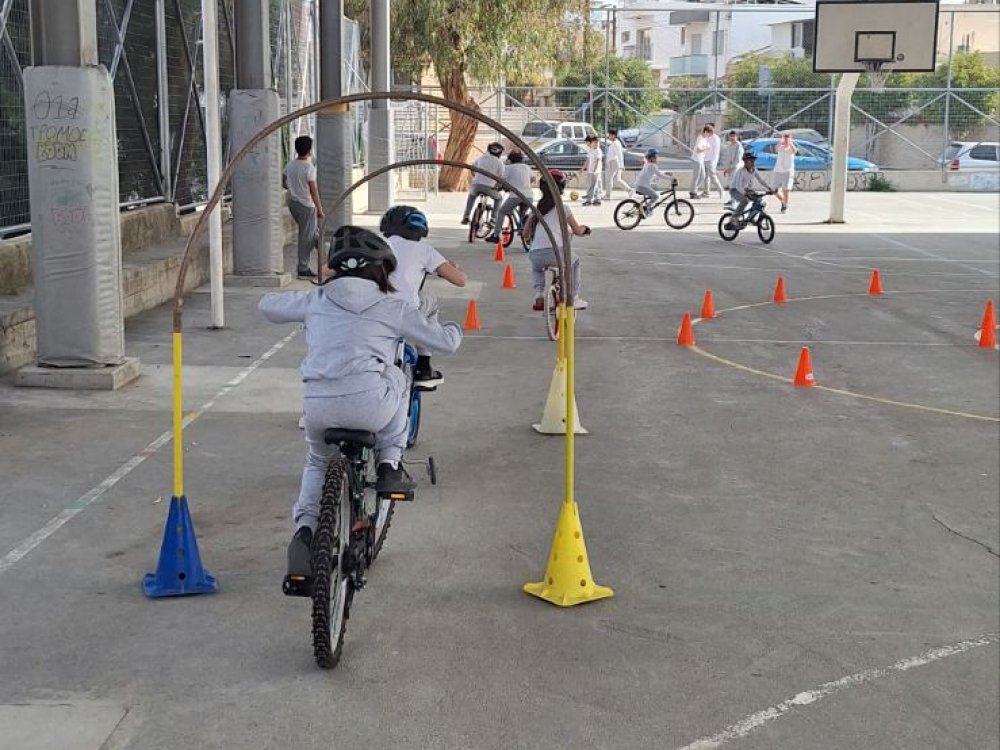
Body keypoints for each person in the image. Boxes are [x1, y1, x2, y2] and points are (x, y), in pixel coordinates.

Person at [259, 226, 463, 585]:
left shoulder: (316, 300)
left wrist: (316, 289)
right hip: (371, 406)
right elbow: (445, 343)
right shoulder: (392, 306)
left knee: (317, 462)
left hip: (318, 409)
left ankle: (304, 534)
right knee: (400, 375)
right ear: (381, 269)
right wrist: (449, 325)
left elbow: (266, 306)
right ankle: (389, 464)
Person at [380, 205, 467, 387]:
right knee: (430, 300)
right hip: (406, 312)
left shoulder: (374, 246)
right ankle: (424, 366)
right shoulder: (424, 250)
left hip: (375, 309)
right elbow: (460, 280)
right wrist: (450, 267)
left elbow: (325, 273)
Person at [527, 170, 590, 311]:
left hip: (536, 253)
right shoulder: (563, 208)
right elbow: (577, 230)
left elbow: (526, 234)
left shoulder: (537, 209)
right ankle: (574, 297)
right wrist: (585, 229)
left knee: (536, 267)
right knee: (574, 262)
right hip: (556, 253)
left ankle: (539, 293)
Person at [284, 135, 324, 278]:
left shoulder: (290, 165)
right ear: (310, 149)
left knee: (313, 234)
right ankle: (303, 267)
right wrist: (319, 209)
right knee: (307, 237)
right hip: (307, 205)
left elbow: (284, 182)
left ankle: (327, 258)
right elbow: (313, 190)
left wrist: (293, 188)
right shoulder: (309, 167)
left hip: (293, 204)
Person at [486, 149, 533, 244]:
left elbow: (501, 180)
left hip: (515, 196)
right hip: (529, 196)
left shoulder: (508, 168)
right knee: (522, 213)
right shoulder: (527, 167)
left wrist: (496, 188)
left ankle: (496, 235)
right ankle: (525, 232)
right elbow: (532, 179)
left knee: (501, 211)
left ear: (510, 159)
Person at [726, 152, 774, 229]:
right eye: (750, 160)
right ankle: (734, 218)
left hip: (745, 189)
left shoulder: (754, 170)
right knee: (745, 200)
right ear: (745, 162)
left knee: (759, 199)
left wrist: (769, 188)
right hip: (734, 190)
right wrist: (745, 194)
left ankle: (751, 217)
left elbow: (761, 180)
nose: (753, 162)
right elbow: (738, 186)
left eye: (753, 160)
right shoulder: (741, 171)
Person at [461, 142, 505, 225]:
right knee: (499, 198)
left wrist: (475, 177)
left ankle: (466, 216)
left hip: (476, 185)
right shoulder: (500, 163)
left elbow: (472, 168)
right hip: (489, 187)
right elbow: (501, 178)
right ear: (499, 153)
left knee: (472, 196)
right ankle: (493, 219)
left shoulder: (482, 158)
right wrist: (497, 186)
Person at [634, 149, 672, 216]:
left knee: (653, 192)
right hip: (642, 186)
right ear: (651, 158)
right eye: (656, 156)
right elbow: (659, 175)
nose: (657, 158)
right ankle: (646, 209)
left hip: (639, 185)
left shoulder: (647, 163)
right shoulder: (653, 165)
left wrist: (666, 173)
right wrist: (671, 178)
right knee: (656, 196)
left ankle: (646, 209)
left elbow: (658, 172)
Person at [604, 128, 631, 200]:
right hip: (614, 162)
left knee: (609, 179)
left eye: (609, 135)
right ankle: (629, 190)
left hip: (614, 163)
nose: (608, 136)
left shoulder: (616, 144)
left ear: (613, 135)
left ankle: (608, 195)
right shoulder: (615, 143)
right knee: (617, 180)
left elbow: (619, 155)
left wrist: (621, 165)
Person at [773, 132, 797, 213]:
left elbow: (795, 151)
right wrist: (780, 141)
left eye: (788, 138)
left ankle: (785, 206)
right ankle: (783, 201)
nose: (786, 140)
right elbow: (776, 149)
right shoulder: (780, 147)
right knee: (775, 190)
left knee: (785, 190)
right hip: (778, 170)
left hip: (787, 171)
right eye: (785, 138)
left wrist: (790, 143)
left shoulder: (791, 148)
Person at [719, 130, 745, 207]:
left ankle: (735, 201)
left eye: (733, 136)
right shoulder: (730, 145)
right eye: (730, 136)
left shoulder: (739, 146)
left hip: (737, 168)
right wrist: (726, 168)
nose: (732, 138)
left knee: (734, 185)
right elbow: (728, 158)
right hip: (731, 168)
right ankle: (732, 200)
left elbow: (737, 159)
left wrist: (730, 168)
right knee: (730, 184)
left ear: (737, 137)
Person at [700, 124, 725, 200]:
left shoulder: (716, 139)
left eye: (706, 132)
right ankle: (706, 192)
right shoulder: (707, 137)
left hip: (711, 160)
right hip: (705, 159)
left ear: (710, 131)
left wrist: (713, 162)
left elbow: (716, 152)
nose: (705, 134)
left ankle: (721, 190)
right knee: (705, 177)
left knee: (713, 177)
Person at [581, 136, 604, 206]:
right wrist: (582, 168)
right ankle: (597, 199)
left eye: (597, 143)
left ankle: (589, 200)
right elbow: (587, 160)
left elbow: (598, 160)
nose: (596, 144)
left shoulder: (598, 151)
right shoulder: (591, 150)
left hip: (595, 172)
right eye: (594, 142)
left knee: (593, 186)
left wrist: (595, 169)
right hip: (590, 171)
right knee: (593, 185)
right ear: (591, 143)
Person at [690, 126, 711, 199]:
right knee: (696, 177)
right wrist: (706, 148)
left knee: (703, 176)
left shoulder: (705, 139)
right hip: (696, 160)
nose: (709, 135)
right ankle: (693, 193)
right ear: (705, 132)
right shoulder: (700, 138)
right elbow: (698, 150)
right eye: (708, 133)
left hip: (701, 160)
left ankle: (694, 190)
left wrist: (706, 149)